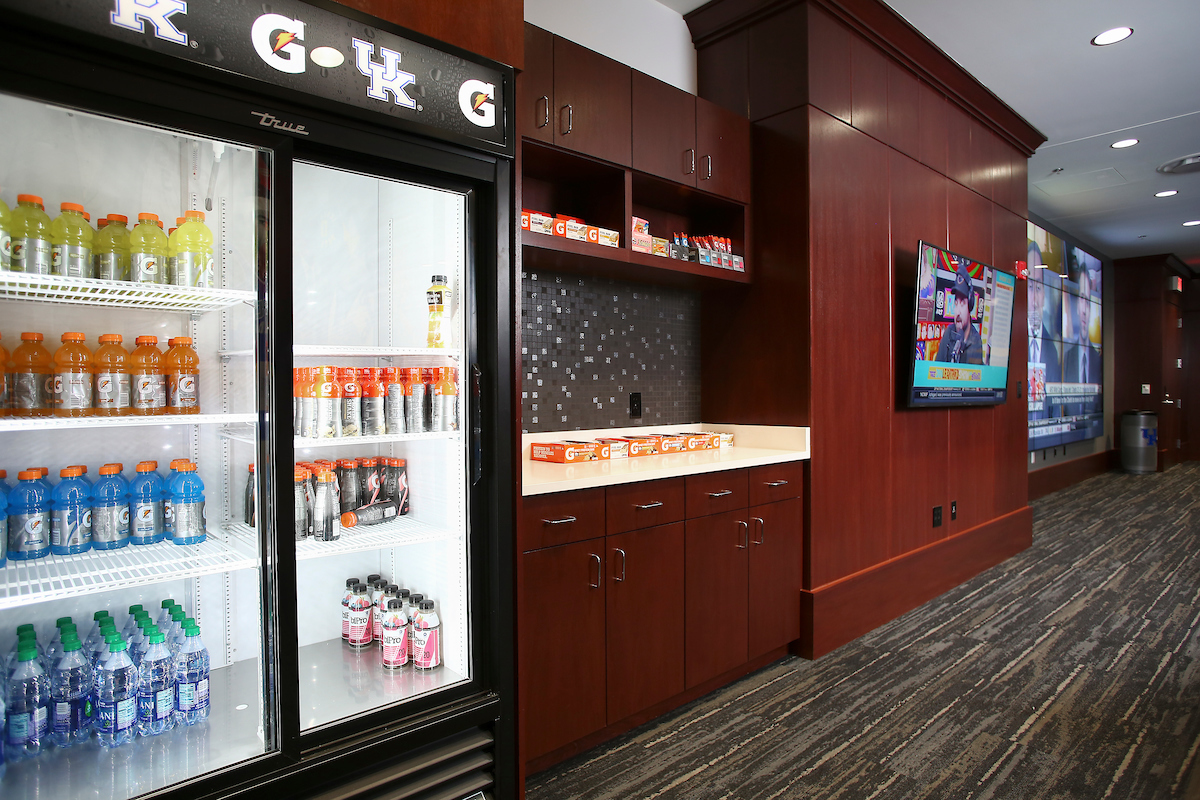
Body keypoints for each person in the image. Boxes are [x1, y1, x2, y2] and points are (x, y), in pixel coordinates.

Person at [935, 263, 983, 365]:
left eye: (962, 303)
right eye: (956, 303)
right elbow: (937, 368)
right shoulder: (949, 332)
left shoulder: (976, 341)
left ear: (970, 306)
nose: (958, 312)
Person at [1063, 269, 1100, 385]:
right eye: (1082, 299)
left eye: (1088, 302)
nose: (1084, 311)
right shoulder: (1067, 358)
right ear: (1077, 305)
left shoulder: (1098, 360)